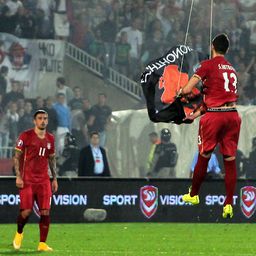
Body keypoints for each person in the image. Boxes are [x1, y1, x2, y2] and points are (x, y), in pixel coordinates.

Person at [180, 34, 241, 219]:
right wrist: (195, 114)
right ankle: (229, 204)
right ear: (227, 50)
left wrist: (180, 92)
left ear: (212, 46)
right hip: (232, 115)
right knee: (229, 160)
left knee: (204, 155)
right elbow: (216, 98)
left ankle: (193, 195)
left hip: (215, 117)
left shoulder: (207, 64)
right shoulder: (232, 69)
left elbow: (188, 89)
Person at [12, 110, 58, 251]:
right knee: (26, 211)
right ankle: (19, 233)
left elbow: (51, 158)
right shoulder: (26, 136)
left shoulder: (50, 138)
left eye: (45, 118)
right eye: (40, 118)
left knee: (45, 212)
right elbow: (16, 156)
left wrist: (54, 178)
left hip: (44, 180)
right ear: (34, 121)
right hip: (28, 180)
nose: (43, 121)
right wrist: (18, 176)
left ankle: (42, 244)